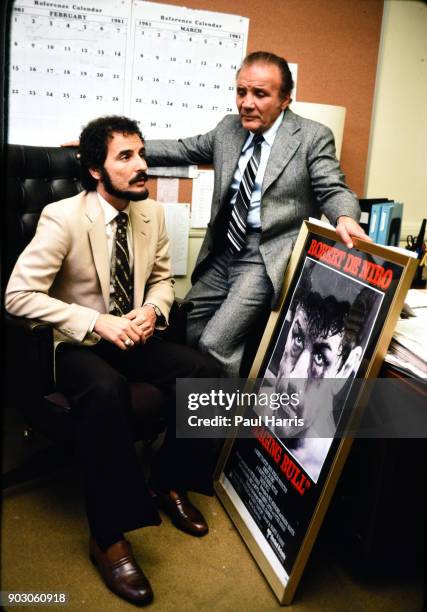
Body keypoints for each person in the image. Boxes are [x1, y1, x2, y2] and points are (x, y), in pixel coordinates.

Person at [5, 115, 221, 606]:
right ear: (96, 170)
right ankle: (108, 537)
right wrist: (94, 321)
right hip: (75, 343)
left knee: (208, 374)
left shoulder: (153, 216)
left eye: (141, 153)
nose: (142, 164)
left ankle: (169, 483)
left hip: (133, 335)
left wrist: (151, 309)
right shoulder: (63, 217)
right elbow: (16, 296)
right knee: (106, 390)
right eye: (126, 156)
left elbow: (164, 281)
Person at [145, 51, 369, 377]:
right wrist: (118, 146)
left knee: (216, 342)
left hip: (263, 258)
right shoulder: (228, 129)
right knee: (186, 328)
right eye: (241, 92)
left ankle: (222, 425)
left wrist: (344, 217)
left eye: (260, 94)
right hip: (222, 252)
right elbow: (181, 149)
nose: (246, 103)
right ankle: (193, 412)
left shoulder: (311, 136)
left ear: (285, 99)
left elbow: (332, 188)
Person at [260, 261, 381, 481]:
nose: (294, 380)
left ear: (344, 369)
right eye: (297, 338)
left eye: (319, 358)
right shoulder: (258, 406)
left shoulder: (324, 471)